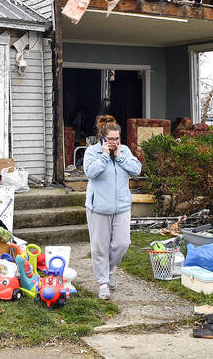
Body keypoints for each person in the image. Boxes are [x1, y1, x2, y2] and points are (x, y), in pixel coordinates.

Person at [83, 115, 142, 299]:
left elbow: (137, 169)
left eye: (117, 139)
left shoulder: (124, 151)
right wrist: (105, 156)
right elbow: (90, 172)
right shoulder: (93, 152)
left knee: (122, 244)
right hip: (98, 208)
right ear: (103, 138)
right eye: (111, 139)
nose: (115, 142)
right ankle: (103, 283)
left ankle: (110, 270)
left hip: (122, 207)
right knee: (100, 247)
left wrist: (119, 156)